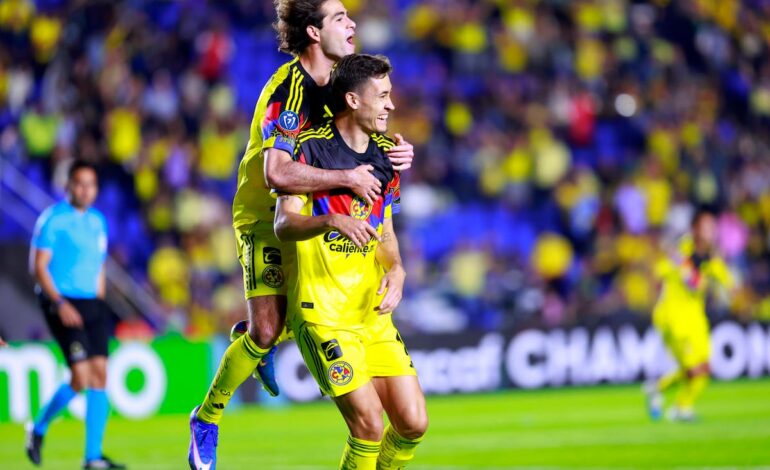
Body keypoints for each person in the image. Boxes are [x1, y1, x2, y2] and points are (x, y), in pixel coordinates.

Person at [188, 1, 415, 468]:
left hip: (309, 210)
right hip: (262, 215)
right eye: (339, 18)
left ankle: (263, 336)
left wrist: (392, 146)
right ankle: (207, 417)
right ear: (313, 32)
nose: (352, 24)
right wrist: (349, 179)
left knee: (280, 322)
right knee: (267, 329)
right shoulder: (288, 92)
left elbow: (354, 133)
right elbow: (276, 173)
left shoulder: (341, 84)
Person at [275, 53, 427, 469]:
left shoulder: (386, 159)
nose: (391, 105)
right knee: (368, 425)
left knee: (413, 422)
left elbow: (386, 235)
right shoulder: (310, 150)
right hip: (323, 313)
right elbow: (284, 224)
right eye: (382, 96)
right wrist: (330, 220)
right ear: (354, 100)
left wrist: (397, 268)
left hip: (371, 315)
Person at [26, 160, 125, 469]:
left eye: (91, 185)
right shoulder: (52, 219)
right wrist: (59, 303)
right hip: (60, 300)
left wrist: (99, 304)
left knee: (99, 376)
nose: (85, 190)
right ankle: (38, 427)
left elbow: (98, 267)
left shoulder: (97, 222)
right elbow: (38, 267)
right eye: (79, 183)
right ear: (68, 185)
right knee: (80, 376)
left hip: (91, 303)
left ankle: (92, 457)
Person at [644, 210, 735, 421]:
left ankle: (666, 395)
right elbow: (677, 276)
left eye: (713, 227)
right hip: (674, 316)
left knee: (704, 368)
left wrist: (729, 287)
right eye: (706, 227)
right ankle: (674, 402)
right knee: (694, 368)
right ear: (695, 229)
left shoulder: (711, 257)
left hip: (695, 318)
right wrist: (686, 268)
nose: (711, 232)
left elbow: (725, 280)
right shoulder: (683, 250)